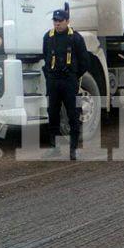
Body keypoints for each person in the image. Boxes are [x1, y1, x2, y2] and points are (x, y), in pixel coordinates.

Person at [43, 9, 90, 160]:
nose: (57, 23)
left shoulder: (76, 38)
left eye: (60, 20)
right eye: (55, 20)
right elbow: (46, 57)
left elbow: (84, 62)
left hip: (69, 81)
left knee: (73, 114)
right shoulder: (48, 37)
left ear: (67, 21)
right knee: (53, 114)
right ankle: (54, 148)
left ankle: (74, 149)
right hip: (53, 81)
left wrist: (74, 76)